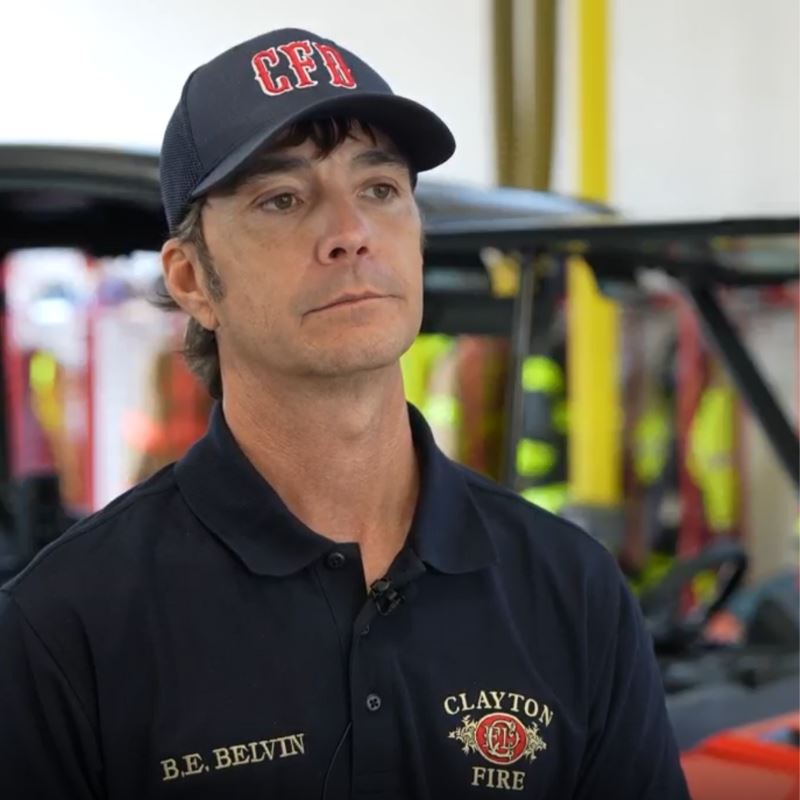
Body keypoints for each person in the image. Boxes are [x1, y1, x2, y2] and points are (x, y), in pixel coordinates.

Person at [0, 28, 690, 799]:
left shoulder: (572, 589)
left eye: (380, 190)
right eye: (283, 199)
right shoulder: (67, 627)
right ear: (192, 279)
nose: (350, 234)